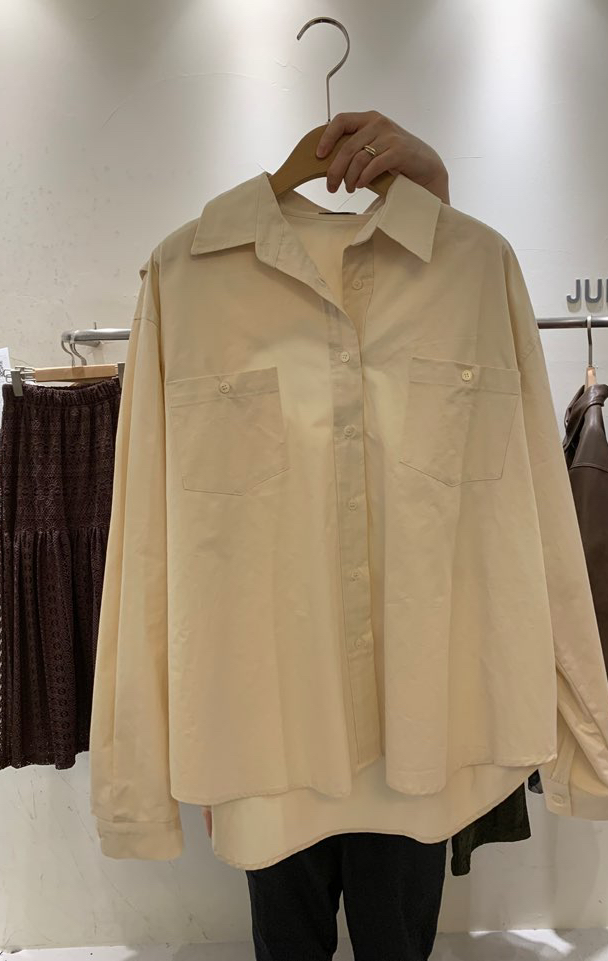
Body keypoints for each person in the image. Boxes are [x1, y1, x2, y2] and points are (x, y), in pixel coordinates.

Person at [204, 112, 454, 960]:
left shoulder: (465, 276)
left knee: (396, 946)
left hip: (409, 728)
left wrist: (435, 196)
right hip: (269, 729)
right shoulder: (191, 285)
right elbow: (161, 551)